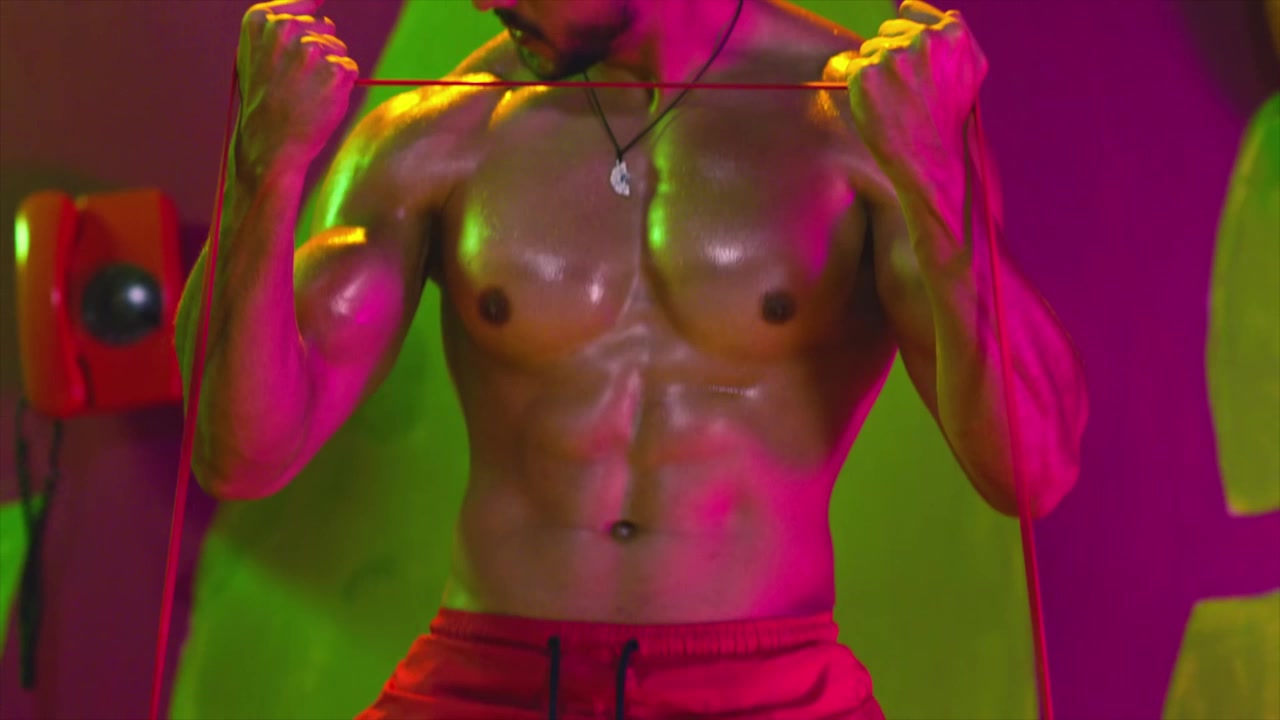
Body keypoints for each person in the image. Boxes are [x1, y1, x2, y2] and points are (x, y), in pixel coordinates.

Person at [175, 0, 1089, 717]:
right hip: (489, 681)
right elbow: (244, 454)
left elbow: (1032, 468)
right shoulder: (441, 132)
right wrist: (266, 170)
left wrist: (934, 180)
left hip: (764, 688)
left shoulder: (857, 121)